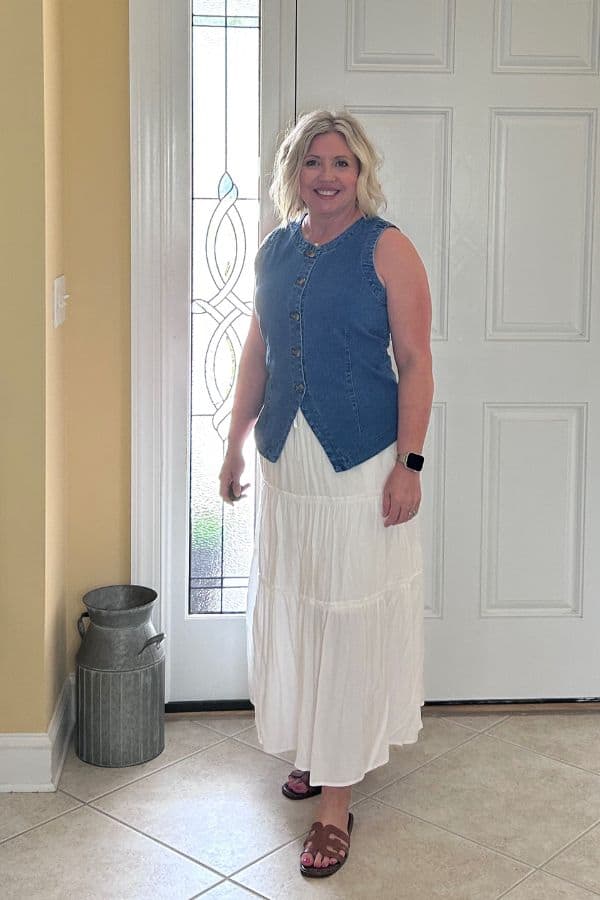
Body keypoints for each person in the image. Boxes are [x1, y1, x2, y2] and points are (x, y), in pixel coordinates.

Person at [219, 109, 433, 878]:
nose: (327, 175)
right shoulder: (275, 248)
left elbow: (414, 359)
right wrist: (235, 442)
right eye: (314, 162)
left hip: (360, 467)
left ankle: (336, 802)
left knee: (344, 620)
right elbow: (258, 349)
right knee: (300, 606)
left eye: (341, 162)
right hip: (288, 462)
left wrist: (409, 463)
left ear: (361, 172)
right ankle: (315, 746)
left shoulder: (388, 247)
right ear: (294, 172)